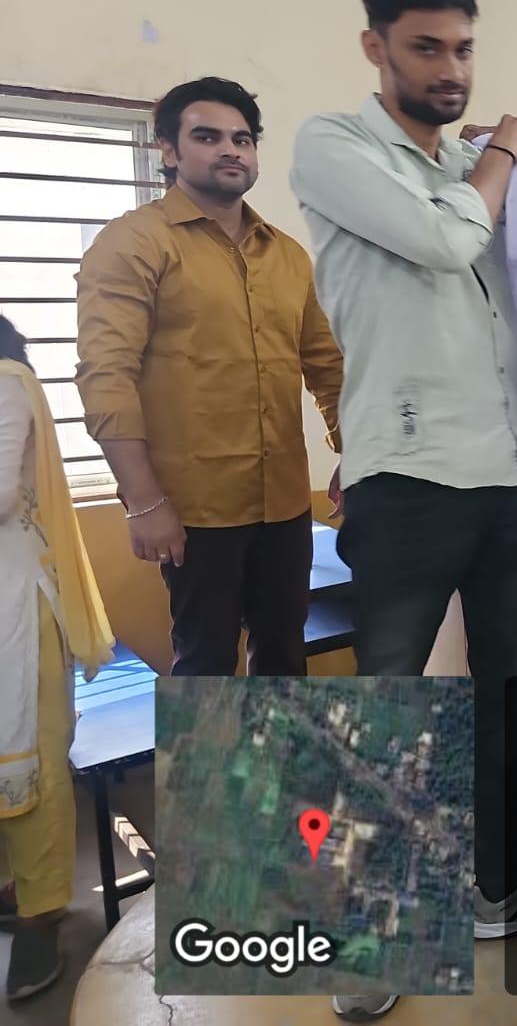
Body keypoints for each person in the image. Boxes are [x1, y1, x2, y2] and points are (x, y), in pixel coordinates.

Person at [290, 0, 517, 1023]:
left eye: (464, 48)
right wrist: (509, 153)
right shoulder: (334, 146)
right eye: (427, 47)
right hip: (409, 475)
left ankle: (500, 886)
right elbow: (440, 235)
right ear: (375, 47)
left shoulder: (479, 164)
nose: (451, 69)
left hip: (513, 472)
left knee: (513, 695)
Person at [75, 77, 343, 677]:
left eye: (242, 139)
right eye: (207, 137)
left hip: (284, 504)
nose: (230, 150)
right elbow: (106, 377)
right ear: (169, 150)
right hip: (193, 511)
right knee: (205, 662)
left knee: (284, 654)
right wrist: (143, 502)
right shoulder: (133, 243)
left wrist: (356, 453)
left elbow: (327, 366)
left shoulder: (287, 255)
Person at [0, 316, 115, 1002]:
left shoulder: (6, 381)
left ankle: (41, 917)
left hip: (15, 608)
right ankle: (11, 887)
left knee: (32, 759)